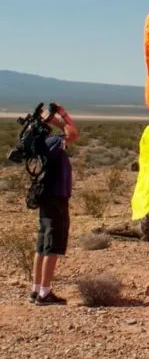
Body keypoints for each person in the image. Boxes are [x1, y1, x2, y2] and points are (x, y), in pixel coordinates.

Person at [31, 105, 78, 306]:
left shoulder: (40, 143)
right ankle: (45, 293)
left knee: (42, 245)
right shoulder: (51, 142)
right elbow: (73, 134)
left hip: (46, 197)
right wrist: (59, 117)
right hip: (56, 197)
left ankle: (36, 289)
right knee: (52, 244)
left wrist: (55, 117)